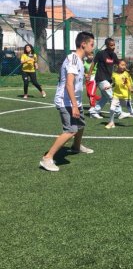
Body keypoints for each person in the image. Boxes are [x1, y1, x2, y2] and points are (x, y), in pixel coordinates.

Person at [39, 32, 95, 172]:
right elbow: (69, 84)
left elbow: (73, 79)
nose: (93, 48)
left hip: (74, 101)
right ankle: (47, 158)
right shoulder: (74, 59)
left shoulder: (78, 60)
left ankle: (76, 147)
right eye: (92, 45)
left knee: (80, 125)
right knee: (71, 130)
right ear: (83, 44)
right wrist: (74, 105)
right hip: (67, 102)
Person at [87, 37, 129, 120]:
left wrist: (126, 70)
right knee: (111, 96)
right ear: (107, 45)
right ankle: (119, 113)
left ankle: (94, 112)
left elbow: (119, 64)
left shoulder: (113, 55)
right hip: (101, 78)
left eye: (114, 45)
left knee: (105, 98)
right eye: (111, 45)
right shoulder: (100, 53)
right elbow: (93, 63)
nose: (113, 47)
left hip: (108, 79)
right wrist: (89, 74)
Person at [105, 60, 133, 129]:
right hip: (116, 95)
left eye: (124, 65)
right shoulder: (114, 74)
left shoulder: (126, 74)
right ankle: (111, 122)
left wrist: (131, 90)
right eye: (122, 65)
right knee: (112, 109)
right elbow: (115, 83)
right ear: (117, 65)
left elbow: (128, 85)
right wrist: (109, 86)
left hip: (125, 96)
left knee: (131, 111)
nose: (124, 66)